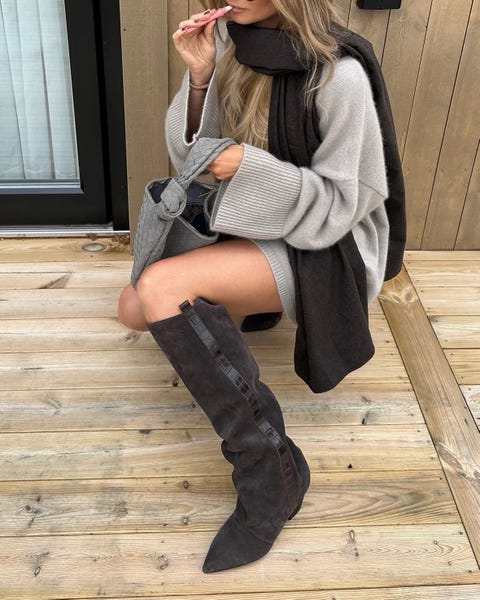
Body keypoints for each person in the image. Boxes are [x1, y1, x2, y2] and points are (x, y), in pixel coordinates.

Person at [118, 0, 402, 573]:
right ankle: (242, 304)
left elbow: (345, 202)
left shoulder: (338, 74)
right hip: (258, 218)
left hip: (329, 244)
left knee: (161, 291)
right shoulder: (231, 43)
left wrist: (249, 168)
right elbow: (192, 161)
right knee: (134, 307)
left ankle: (271, 471)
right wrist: (200, 79)